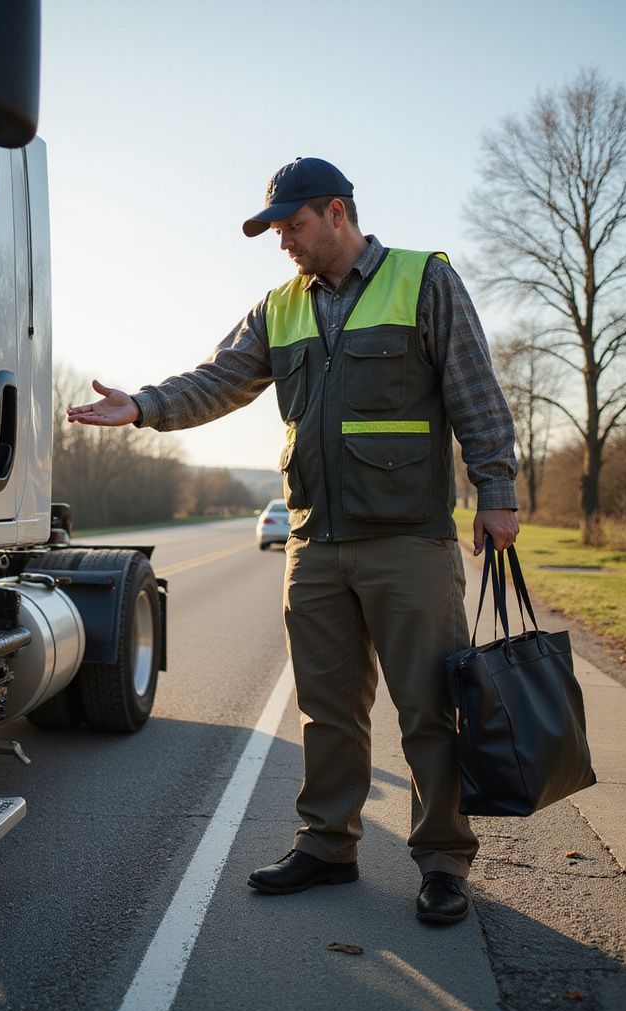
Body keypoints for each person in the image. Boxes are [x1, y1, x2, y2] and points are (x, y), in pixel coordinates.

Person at [67, 157, 520, 924]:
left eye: (292, 224)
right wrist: (142, 407)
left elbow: (474, 389)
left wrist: (497, 491)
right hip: (314, 541)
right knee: (326, 709)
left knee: (427, 710)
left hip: (407, 538)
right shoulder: (278, 306)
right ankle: (328, 845)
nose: (282, 241)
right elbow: (217, 381)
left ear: (337, 212)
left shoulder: (424, 280)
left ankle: (442, 860)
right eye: (274, 228)